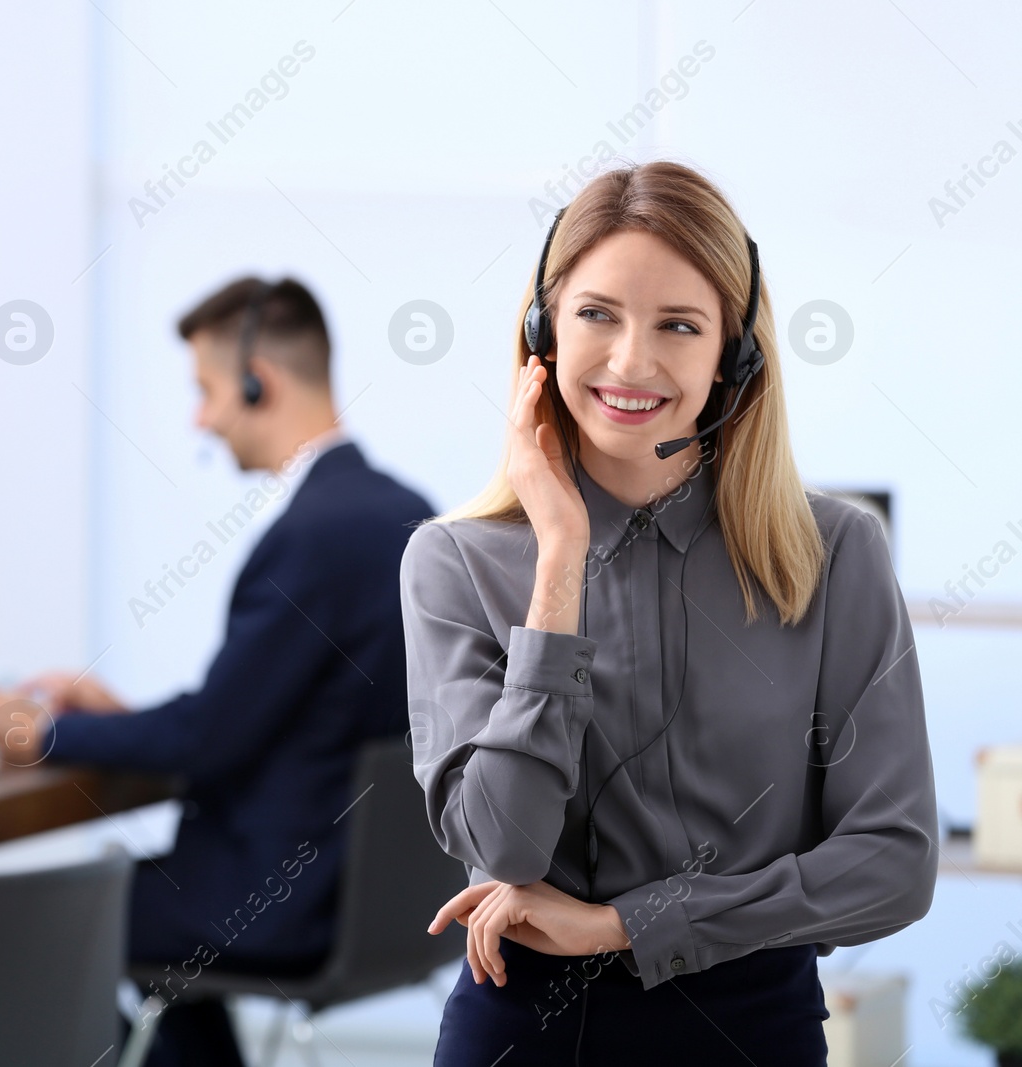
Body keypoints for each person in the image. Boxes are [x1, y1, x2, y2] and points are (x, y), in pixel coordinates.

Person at [401, 161, 937, 1066]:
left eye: (679, 326)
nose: (630, 361)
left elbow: (892, 864)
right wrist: (560, 560)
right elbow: (506, 842)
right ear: (542, 333)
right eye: (597, 314)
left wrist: (624, 924)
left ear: (734, 357)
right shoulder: (454, 561)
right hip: (524, 1036)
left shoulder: (836, 552)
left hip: (752, 1032)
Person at [0, 276, 435, 1067]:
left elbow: (209, 739)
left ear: (262, 383)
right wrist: (120, 720)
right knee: (155, 948)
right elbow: (266, 716)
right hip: (381, 897)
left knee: (45, 920)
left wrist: (45, 731)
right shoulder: (404, 511)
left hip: (283, 899)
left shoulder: (310, 540)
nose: (200, 418)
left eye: (208, 390)